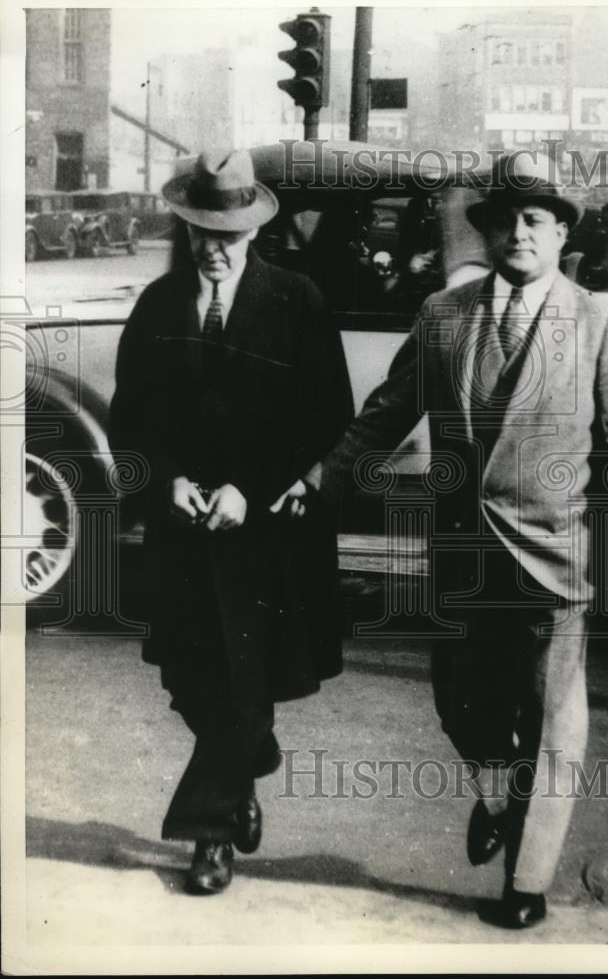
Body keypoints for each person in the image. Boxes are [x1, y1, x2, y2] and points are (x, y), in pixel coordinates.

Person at [272, 151, 608, 928]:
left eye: (536, 220)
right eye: (506, 219)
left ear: (559, 236)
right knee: (460, 705)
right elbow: (387, 412)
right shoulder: (443, 317)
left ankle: (527, 884)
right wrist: (320, 480)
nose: (520, 233)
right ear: (486, 232)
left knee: (555, 727)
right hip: (462, 556)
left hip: (554, 558)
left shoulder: (596, 323)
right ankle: (496, 788)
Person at [108, 149, 353, 894]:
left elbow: (325, 418)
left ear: (254, 234)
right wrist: (167, 483)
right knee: (191, 681)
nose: (214, 251)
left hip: (267, 538)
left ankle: (209, 837)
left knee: (241, 676)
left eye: (229, 238)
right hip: (184, 538)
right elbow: (128, 422)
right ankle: (251, 760)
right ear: (184, 231)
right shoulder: (156, 306)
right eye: (200, 236)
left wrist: (251, 487)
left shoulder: (298, 301)